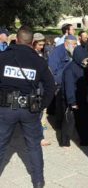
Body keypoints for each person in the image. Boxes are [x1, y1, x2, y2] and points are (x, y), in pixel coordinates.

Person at [0, 26, 55, 188]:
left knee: (1, 145)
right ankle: (38, 181)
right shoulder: (38, 60)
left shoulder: (3, 57)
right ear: (32, 42)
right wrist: (41, 105)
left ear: (16, 40)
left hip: (5, 108)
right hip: (30, 109)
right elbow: (51, 86)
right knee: (34, 146)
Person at [61, 45, 88, 147]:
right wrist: (72, 102)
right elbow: (69, 86)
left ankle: (85, 140)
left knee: (85, 120)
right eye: (85, 59)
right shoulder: (70, 69)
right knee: (70, 121)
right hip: (74, 98)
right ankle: (65, 142)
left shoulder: (84, 68)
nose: (86, 61)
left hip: (83, 97)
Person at [47, 35, 77, 126]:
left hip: (69, 81)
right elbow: (52, 69)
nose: (76, 46)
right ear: (67, 43)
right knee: (60, 104)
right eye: (74, 44)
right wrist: (56, 82)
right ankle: (59, 123)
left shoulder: (71, 51)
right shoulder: (57, 52)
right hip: (60, 83)